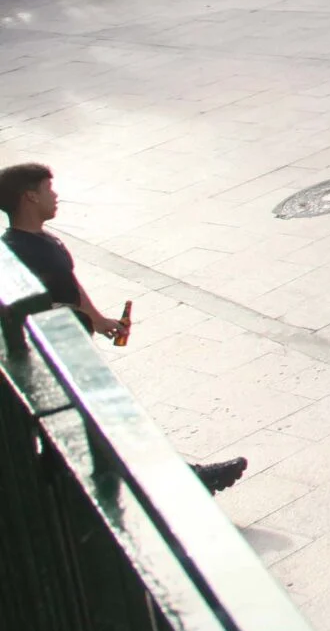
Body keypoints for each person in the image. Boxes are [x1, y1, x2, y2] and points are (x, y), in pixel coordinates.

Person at [2, 164, 247, 493]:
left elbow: (69, 285)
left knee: (103, 427)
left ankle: (177, 479)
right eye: (48, 188)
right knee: (110, 424)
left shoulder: (46, 239)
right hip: (54, 359)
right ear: (30, 196)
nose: (55, 195)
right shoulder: (16, 252)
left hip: (74, 349)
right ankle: (188, 480)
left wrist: (99, 319)